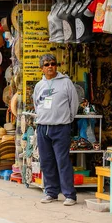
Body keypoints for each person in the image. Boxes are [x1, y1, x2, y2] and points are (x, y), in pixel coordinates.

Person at [32, 54, 79, 206]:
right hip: (43, 127)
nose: (50, 66)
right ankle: (51, 192)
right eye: (46, 64)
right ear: (42, 68)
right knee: (46, 161)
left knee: (62, 161)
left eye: (53, 63)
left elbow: (74, 104)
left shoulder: (66, 83)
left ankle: (69, 195)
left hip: (61, 127)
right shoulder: (39, 86)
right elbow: (36, 104)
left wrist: (67, 120)